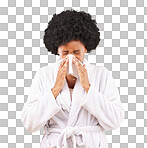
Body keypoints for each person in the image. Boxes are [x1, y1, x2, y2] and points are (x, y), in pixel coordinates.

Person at [21, 9, 125, 148]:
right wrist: (55, 89)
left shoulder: (101, 75)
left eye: (76, 52)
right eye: (65, 53)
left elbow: (115, 121)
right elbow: (30, 123)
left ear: (86, 49)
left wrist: (88, 88)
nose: (71, 58)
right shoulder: (44, 75)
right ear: (57, 50)